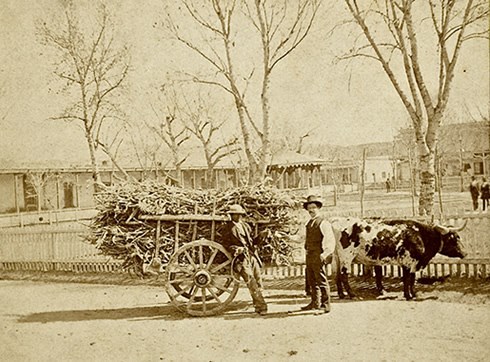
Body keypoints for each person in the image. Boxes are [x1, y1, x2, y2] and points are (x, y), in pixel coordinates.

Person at [222, 204, 268, 315]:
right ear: (231, 215)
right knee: (251, 281)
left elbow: (251, 242)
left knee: (258, 280)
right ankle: (262, 307)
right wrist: (236, 249)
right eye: (234, 215)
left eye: (238, 214)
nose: (237, 216)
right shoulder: (227, 228)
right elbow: (225, 245)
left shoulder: (245, 226)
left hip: (251, 255)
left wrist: (262, 236)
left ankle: (257, 304)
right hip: (240, 259)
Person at [301, 195, 335, 314]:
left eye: (314, 207)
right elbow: (304, 238)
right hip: (309, 254)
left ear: (319, 208)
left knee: (321, 280)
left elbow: (330, 239)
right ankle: (315, 303)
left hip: (318, 254)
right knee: (311, 280)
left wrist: (325, 254)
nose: (311, 210)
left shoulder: (323, 223)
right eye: (309, 208)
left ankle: (326, 305)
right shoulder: (309, 223)